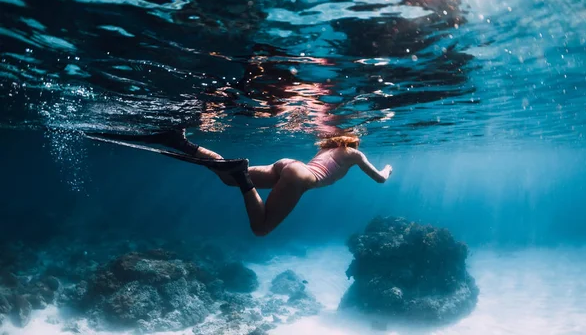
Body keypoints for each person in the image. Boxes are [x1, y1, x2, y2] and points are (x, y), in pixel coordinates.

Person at [97, 130, 392, 236]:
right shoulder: (354, 153)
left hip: (289, 164)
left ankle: (182, 143)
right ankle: (241, 174)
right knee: (261, 228)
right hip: (301, 176)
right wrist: (389, 169)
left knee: (227, 180)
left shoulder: (328, 148)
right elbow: (379, 179)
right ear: (353, 141)